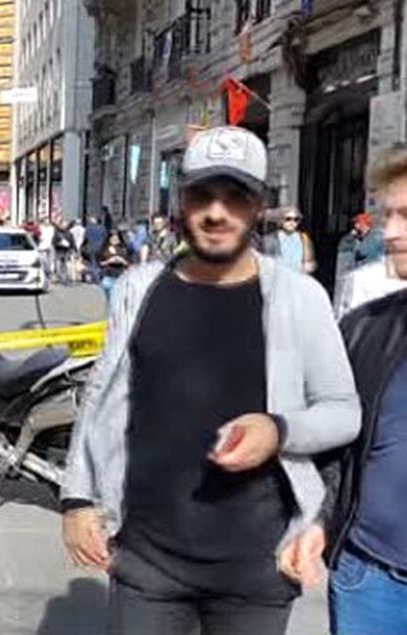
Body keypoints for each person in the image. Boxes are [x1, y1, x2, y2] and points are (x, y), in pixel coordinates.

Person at [61, 126, 360, 635]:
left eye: (235, 197)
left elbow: (343, 411)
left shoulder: (300, 296)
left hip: (258, 568)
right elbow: (103, 396)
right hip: (147, 562)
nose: (216, 212)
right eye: (202, 194)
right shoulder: (139, 288)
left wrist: (277, 430)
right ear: (182, 200)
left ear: (258, 205)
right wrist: (77, 497)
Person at [298, 146, 407, 635]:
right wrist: (320, 522)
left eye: (406, 216)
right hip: (372, 580)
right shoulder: (365, 329)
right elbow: (340, 449)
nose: (392, 232)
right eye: (388, 215)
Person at [263, 207, 317, 274]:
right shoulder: (270, 239)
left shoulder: (304, 238)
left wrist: (309, 266)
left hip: (298, 278)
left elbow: (311, 261)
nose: (292, 222)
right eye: (288, 219)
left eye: (296, 219)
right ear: (280, 220)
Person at [97, 230, 131, 300]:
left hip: (121, 276)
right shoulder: (104, 249)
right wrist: (108, 261)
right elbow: (99, 263)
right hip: (108, 276)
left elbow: (130, 263)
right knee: (110, 299)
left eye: (116, 239)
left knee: (120, 300)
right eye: (112, 239)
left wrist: (122, 261)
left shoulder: (124, 249)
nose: (114, 241)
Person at [52, 220, 76, 284]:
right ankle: (61, 277)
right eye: (63, 225)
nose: (64, 226)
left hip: (67, 252)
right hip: (59, 251)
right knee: (58, 266)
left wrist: (74, 250)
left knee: (66, 266)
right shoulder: (57, 233)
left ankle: (65, 278)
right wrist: (59, 243)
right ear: (60, 225)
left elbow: (73, 242)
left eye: (65, 225)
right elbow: (53, 242)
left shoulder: (69, 233)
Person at [84, 216, 108, 282]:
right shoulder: (103, 228)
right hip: (101, 247)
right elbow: (106, 237)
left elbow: (85, 238)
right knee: (100, 262)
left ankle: (95, 277)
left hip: (91, 247)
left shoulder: (88, 228)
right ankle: (100, 276)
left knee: (93, 262)